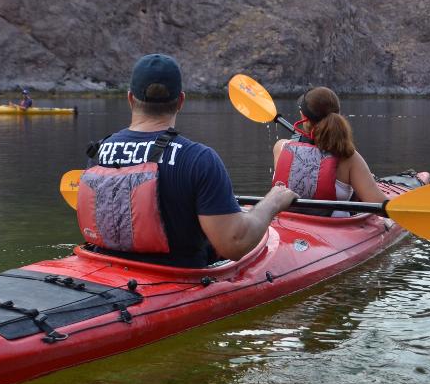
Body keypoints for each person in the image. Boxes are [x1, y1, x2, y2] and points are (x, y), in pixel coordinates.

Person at [76, 54, 297, 267]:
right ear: (181, 100)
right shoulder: (199, 159)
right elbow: (234, 244)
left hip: (106, 266)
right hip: (175, 278)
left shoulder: (100, 152)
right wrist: (273, 202)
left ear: (130, 99)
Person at [271, 87, 384, 215]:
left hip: (287, 223)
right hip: (333, 227)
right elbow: (379, 206)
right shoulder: (348, 157)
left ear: (303, 116)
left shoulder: (281, 147)